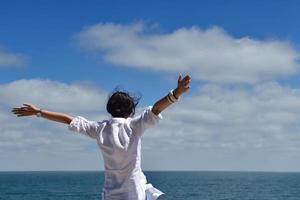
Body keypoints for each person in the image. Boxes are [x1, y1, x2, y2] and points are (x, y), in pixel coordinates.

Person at [11, 74, 191, 200]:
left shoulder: (99, 129)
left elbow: (68, 119)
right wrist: (176, 93)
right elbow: (156, 109)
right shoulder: (134, 126)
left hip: (111, 194)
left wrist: (39, 112)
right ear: (131, 110)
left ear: (110, 109)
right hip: (134, 192)